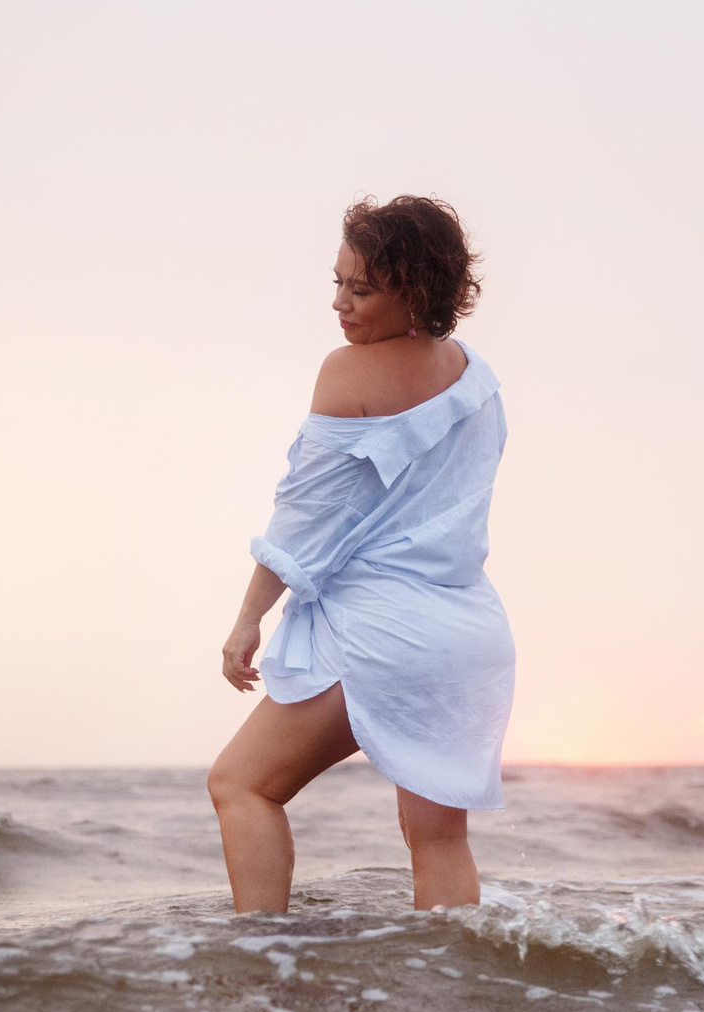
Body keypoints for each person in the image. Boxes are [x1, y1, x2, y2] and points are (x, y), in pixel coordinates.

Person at [206, 195, 513, 914]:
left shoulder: (348, 374)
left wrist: (248, 619)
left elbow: (304, 519)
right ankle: (451, 998)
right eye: (337, 282)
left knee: (240, 784)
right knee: (437, 843)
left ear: (415, 291)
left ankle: (264, 973)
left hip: (386, 633)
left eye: (362, 289)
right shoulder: (478, 377)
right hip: (469, 638)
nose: (340, 304)